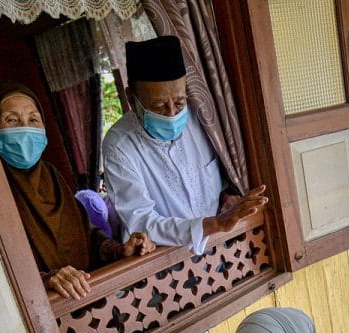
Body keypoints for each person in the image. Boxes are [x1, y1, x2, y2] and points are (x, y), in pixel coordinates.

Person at [0, 83, 155, 299]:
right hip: (45, 306)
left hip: (91, 295)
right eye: (12, 120)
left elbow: (89, 237)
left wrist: (121, 250)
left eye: (33, 120)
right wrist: (47, 279)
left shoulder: (52, 177)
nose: (25, 128)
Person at [103, 36, 267, 254]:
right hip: (172, 261)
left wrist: (226, 198)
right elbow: (141, 221)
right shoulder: (119, 145)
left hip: (229, 248)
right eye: (159, 106)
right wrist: (214, 224)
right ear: (132, 99)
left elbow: (221, 176)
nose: (172, 114)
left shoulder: (201, 117)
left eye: (179, 103)